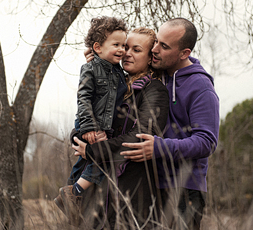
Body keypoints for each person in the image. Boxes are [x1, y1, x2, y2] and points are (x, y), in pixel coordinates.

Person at [75, 18, 220, 229]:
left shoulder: (200, 86)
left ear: (184, 53)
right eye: (156, 42)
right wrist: (100, 63)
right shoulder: (159, 76)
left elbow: (207, 142)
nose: (155, 50)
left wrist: (160, 147)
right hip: (151, 183)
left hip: (183, 186)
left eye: (164, 46)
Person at [63, 27, 170, 229]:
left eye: (136, 50)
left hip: (132, 194)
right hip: (99, 194)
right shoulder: (113, 85)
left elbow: (141, 136)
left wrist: (93, 150)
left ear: (150, 58)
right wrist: (79, 136)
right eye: (125, 47)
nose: (127, 53)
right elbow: (86, 116)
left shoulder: (154, 90)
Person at [54, 16, 128, 225]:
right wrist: (89, 127)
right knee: (102, 160)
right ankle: (75, 192)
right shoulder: (90, 68)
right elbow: (83, 97)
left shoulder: (118, 72)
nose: (122, 49)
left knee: (84, 162)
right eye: (116, 45)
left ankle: (69, 194)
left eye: (123, 45)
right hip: (91, 124)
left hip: (103, 127)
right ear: (97, 47)